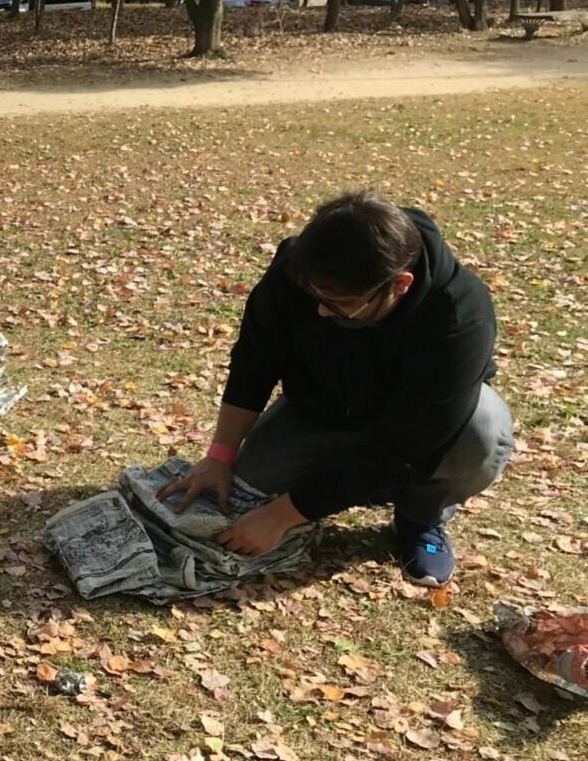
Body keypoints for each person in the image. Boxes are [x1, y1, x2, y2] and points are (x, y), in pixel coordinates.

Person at [158, 191, 512, 588]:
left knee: (483, 431)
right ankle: (342, 484)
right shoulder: (301, 268)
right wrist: (220, 456)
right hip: (320, 410)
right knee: (251, 481)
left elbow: (410, 446)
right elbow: (254, 363)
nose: (322, 311)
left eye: (339, 303)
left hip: (411, 428)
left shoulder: (460, 315)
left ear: (400, 285)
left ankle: (421, 516)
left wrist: (279, 517)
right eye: (315, 296)